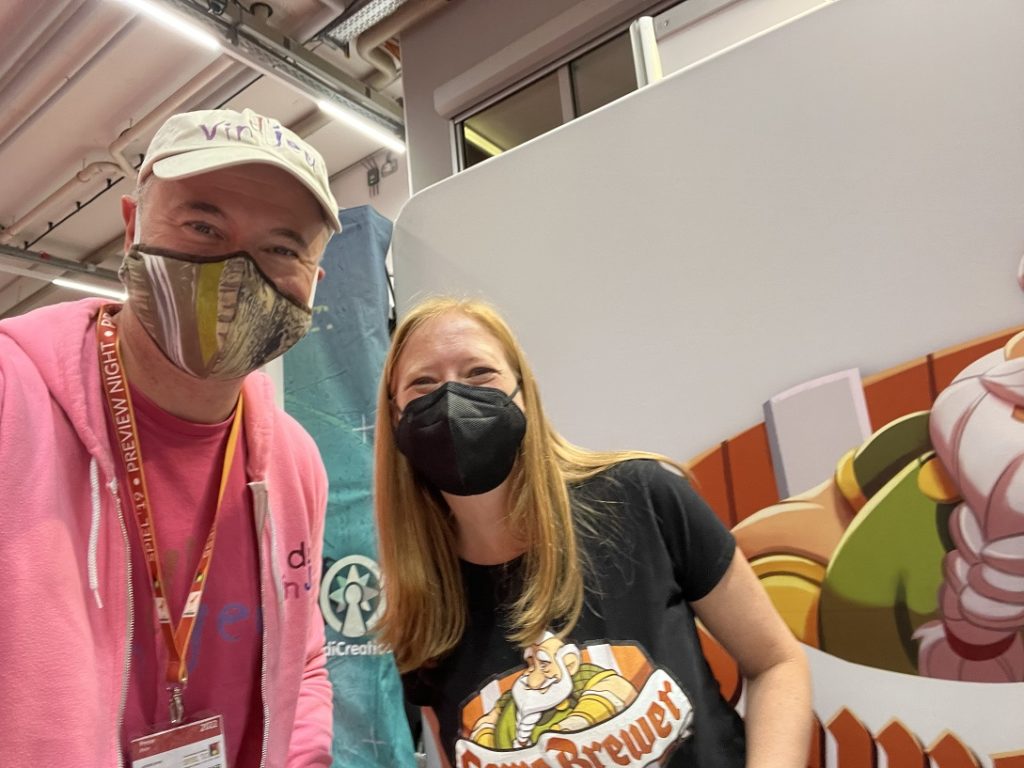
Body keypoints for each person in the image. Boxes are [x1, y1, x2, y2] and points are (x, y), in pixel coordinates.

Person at [0, 107, 340, 766]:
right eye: (203, 226)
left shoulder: (296, 463)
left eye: (281, 248)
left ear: (312, 280)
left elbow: (301, 662)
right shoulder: (14, 398)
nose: (237, 272)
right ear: (132, 228)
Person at [373, 297, 812, 767]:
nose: (452, 398)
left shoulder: (640, 497)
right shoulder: (422, 599)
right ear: (395, 417)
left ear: (524, 393)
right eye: (423, 383)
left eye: (480, 373)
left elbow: (775, 662)